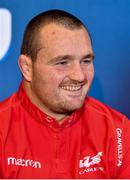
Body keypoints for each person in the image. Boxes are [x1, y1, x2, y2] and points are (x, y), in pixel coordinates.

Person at [0, 9, 130, 179]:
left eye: (86, 61)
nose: (79, 76)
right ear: (27, 67)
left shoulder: (118, 130)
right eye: (62, 62)